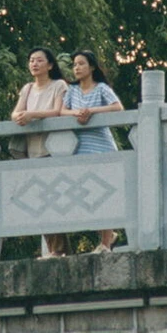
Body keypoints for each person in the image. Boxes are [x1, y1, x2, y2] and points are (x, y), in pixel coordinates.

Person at [61, 50, 124, 254]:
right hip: (80, 147)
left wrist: (91, 112)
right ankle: (108, 235)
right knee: (86, 194)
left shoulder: (101, 88)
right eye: (74, 64)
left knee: (102, 191)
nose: (77, 68)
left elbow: (118, 107)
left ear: (92, 67)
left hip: (101, 146)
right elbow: (62, 111)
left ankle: (105, 242)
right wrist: (76, 113)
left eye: (81, 64)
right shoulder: (72, 90)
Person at [11, 47, 71, 259]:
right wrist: (21, 116)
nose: (34, 64)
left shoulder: (59, 85)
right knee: (39, 199)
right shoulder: (27, 88)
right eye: (31, 60)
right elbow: (15, 113)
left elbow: (56, 112)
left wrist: (31, 115)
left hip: (53, 148)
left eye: (39, 60)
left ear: (50, 65)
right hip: (32, 149)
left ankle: (59, 250)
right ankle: (55, 249)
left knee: (53, 199)